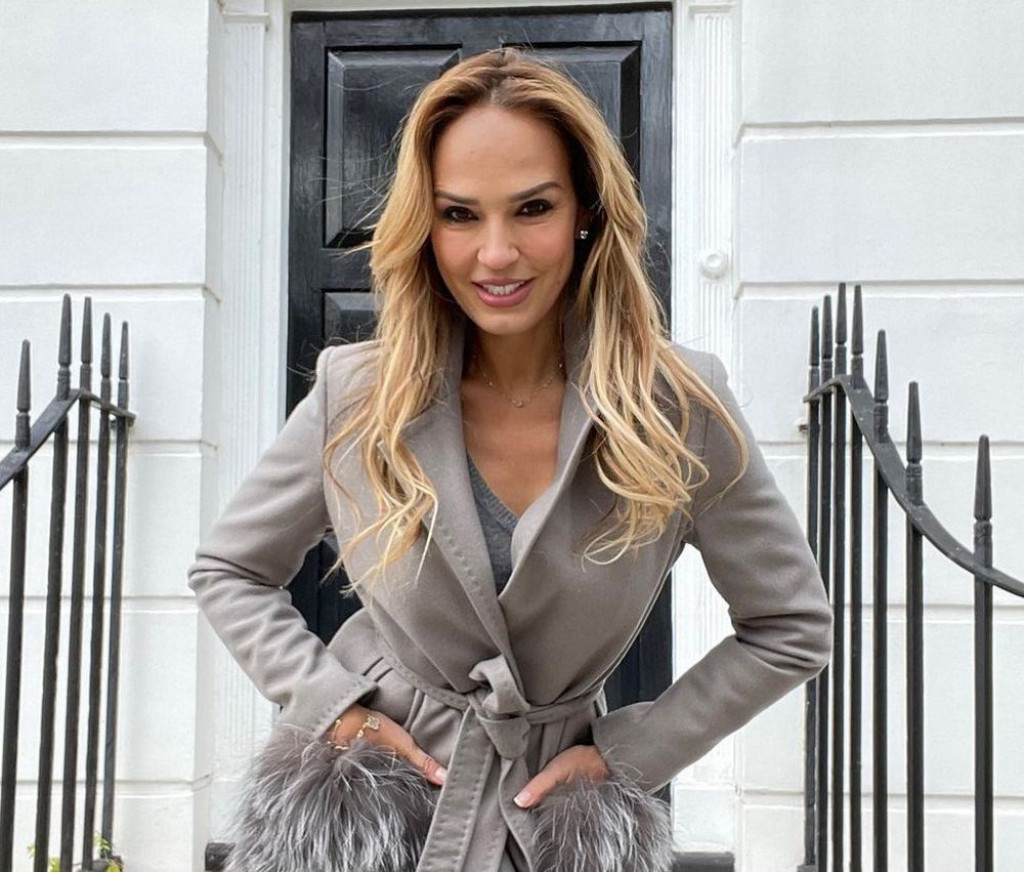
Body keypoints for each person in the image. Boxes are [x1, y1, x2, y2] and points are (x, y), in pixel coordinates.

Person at [187, 47, 833, 872]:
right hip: (361, 813)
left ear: (586, 213)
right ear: (424, 226)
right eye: (459, 214)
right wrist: (331, 705)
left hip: (549, 821)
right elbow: (230, 569)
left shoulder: (677, 405)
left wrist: (634, 754)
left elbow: (790, 625)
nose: (495, 254)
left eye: (532, 208)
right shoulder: (360, 391)